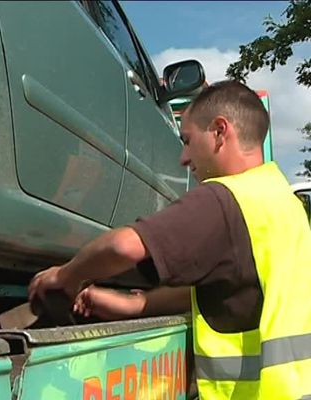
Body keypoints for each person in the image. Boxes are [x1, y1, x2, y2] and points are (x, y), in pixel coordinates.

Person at [28, 80, 311, 399]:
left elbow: (124, 245)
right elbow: (233, 286)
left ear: (220, 131)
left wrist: (66, 276)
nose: (184, 158)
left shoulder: (223, 198)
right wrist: (135, 304)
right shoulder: (285, 203)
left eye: (188, 141)